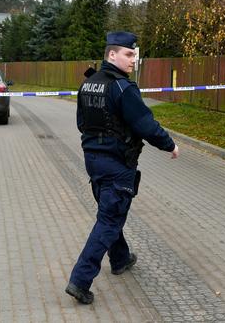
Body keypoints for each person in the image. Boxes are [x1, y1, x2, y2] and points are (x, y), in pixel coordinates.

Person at [65, 31, 180, 305]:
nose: (133, 60)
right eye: (129, 54)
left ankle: (120, 258)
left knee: (110, 212)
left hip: (93, 161)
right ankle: (80, 280)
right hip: (117, 164)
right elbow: (146, 125)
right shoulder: (122, 88)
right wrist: (170, 145)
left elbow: (82, 123)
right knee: (109, 219)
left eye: (134, 55)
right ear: (112, 54)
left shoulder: (89, 83)